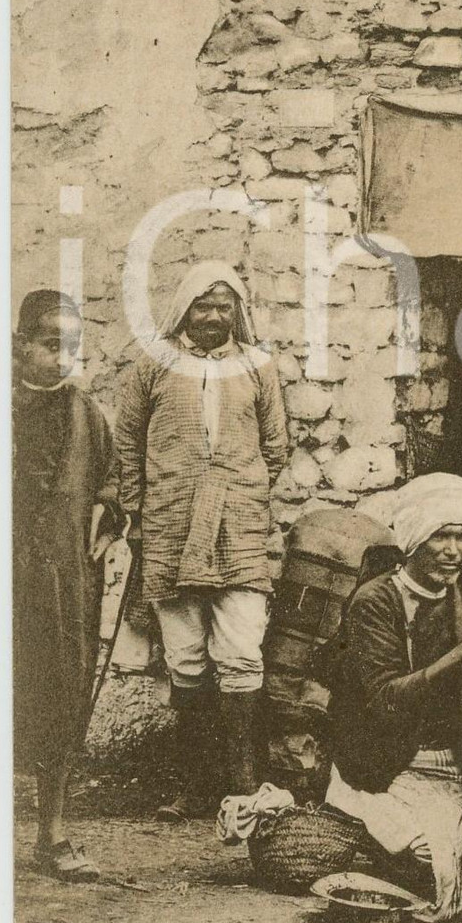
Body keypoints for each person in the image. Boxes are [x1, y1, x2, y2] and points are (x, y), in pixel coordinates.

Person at [115, 261, 288, 821]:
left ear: (238, 310)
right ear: (184, 308)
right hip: (170, 525)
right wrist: (141, 516)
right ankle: (192, 784)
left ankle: (242, 782)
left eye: (224, 305)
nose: (214, 316)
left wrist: (237, 488)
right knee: (186, 658)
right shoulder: (154, 363)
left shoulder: (259, 365)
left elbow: (276, 446)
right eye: (203, 305)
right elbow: (128, 444)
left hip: (238, 527)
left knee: (240, 652)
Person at [325, 473, 462, 921]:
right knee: (430, 855)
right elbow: (387, 697)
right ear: (413, 539)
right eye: (440, 536)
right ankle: (368, 830)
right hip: (388, 763)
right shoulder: (377, 601)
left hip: (455, 762)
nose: (453, 550)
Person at [13, 290, 125, 882]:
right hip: (4, 584)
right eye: (49, 344)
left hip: (63, 584)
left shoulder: (88, 413)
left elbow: (111, 481)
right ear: (19, 345)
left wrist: (110, 514)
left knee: (59, 695)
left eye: (71, 348)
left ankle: (52, 835)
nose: (60, 359)